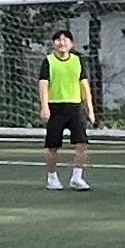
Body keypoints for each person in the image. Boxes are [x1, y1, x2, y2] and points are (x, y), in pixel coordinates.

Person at [41, 25, 95, 191]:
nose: (62, 42)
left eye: (65, 40)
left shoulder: (78, 61)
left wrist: (90, 109)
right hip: (55, 107)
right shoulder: (48, 61)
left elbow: (84, 86)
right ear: (54, 44)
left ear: (71, 44)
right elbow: (43, 86)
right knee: (52, 146)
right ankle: (52, 178)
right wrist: (44, 107)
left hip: (75, 107)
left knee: (82, 143)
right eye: (58, 40)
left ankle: (77, 178)